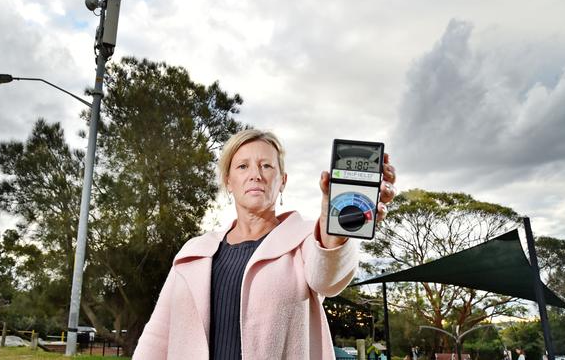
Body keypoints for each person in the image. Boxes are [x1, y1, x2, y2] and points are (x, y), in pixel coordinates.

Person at [132, 129, 397, 359]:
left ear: (282, 181)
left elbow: (327, 278)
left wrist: (335, 224)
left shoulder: (305, 240)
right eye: (243, 166)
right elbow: (158, 336)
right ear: (228, 181)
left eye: (266, 166)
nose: (255, 175)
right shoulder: (193, 253)